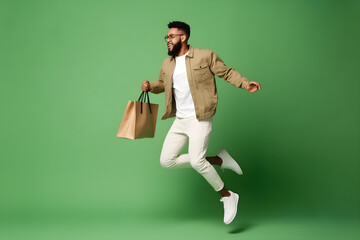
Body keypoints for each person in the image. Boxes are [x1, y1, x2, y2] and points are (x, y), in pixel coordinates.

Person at [141, 21, 261, 224]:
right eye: (167, 37)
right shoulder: (167, 63)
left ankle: (227, 195)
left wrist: (244, 83)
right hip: (180, 120)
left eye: (171, 37)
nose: (168, 40)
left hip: (200, 118)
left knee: (197, 161)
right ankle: (219, 160)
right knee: (166, 160)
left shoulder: (205, 56)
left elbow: (227, 72)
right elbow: (162, 85)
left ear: (183, 37)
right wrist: (150, 86)